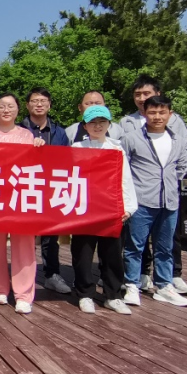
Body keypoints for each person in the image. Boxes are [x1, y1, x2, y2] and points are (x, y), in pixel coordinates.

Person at [121, 75, 187, 296]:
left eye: (147, 93)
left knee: (167, 243)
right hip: (141, 196)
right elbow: (123, 161)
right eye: (138, 94)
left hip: (168, 196)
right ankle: (134, 280)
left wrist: (171, 177)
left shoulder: (175, 130)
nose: (142, 98)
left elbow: (186, 154)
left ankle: (168, 280)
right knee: (135, 243)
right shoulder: (129, 126)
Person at [0, 93, 44, 314]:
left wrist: (39, 147)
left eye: (10, 106)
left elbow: (37, 165)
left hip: (22, 195)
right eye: (1, 106)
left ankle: (24, 294)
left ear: (18, 110)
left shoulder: (27, 135)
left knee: (24, 245)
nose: (6, 110)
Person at [70, 105, 136, 315]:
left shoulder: (116, 149)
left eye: (102, 122)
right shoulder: (77, 148)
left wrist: (128, 207)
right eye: (92, 122)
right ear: (84, 126)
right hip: (85, 210)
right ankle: (85, 294)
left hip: (110, 209)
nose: (97, 126)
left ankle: (113, 295)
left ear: (109, 124)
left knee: (112, 254)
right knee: (83, 253)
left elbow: (125, 179)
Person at [20, 87, 72, 296]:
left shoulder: (60, 132)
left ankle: (52, 275)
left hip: (51, 190)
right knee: (24, 237)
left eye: (43, 101)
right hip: (24, 189)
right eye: (34, 101)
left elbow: (68, 161)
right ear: (27, 105)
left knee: (50, 236)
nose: (39, 104)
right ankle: (23, 278)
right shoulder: (19, 131)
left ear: (49, 105)